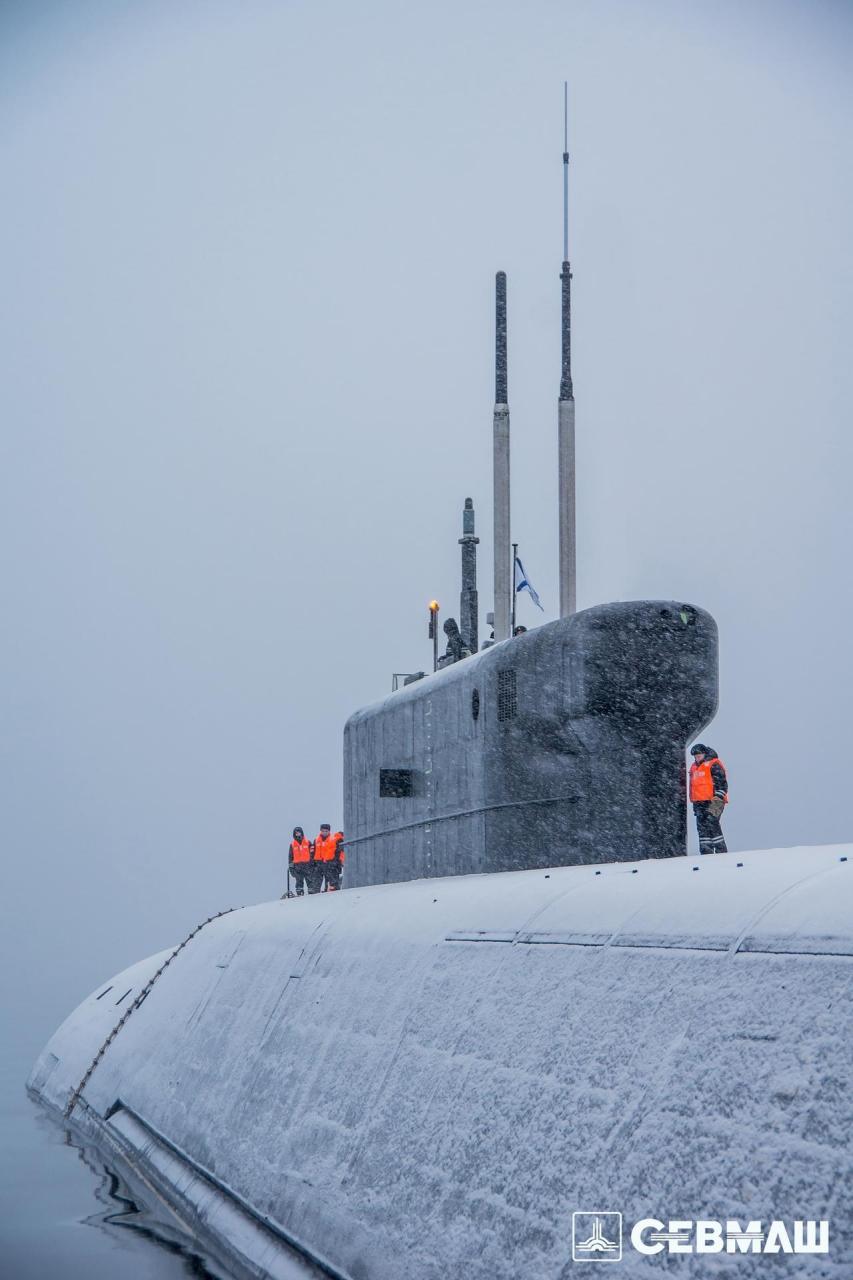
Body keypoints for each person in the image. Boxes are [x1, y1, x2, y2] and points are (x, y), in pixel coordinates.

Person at [689, 744, 728, 855]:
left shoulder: (713, 764)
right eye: (695, 757)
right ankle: (706, 852)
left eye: (699, 756)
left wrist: (718, 796)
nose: (697, 758)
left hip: (716, 800)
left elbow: (722, 783)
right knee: (702, 826)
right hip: (699, 802)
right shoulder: (694, 767)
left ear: (705, 754)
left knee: (712, 822)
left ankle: (721, 851)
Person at [313, 824, 345, 891]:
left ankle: (333, 894)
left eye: (326, 831)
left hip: (330, 864)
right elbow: (312, 853)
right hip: (319, 864)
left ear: (329, 831)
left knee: (332, 884)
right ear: (320, 831)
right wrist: (313, 864)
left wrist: (337, 862)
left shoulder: (334, 839)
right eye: (323, 831)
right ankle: (316, 895)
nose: (324, 832)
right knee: (316, 884)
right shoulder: (316, 840)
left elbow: (338, 852)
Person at [288, 826, 314, 895]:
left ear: (302, 833)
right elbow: (290, 858)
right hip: (297, 867)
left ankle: (312, 895)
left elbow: (312, 854)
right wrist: (291, 869)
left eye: (299, 833)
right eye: (296, 833)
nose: (298, 834)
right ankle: (299, 895)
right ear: (294, 834)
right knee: (299, 883)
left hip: (307, 866)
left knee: (310, 882)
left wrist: (313, 865)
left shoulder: (308, 842)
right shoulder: (292, 845)